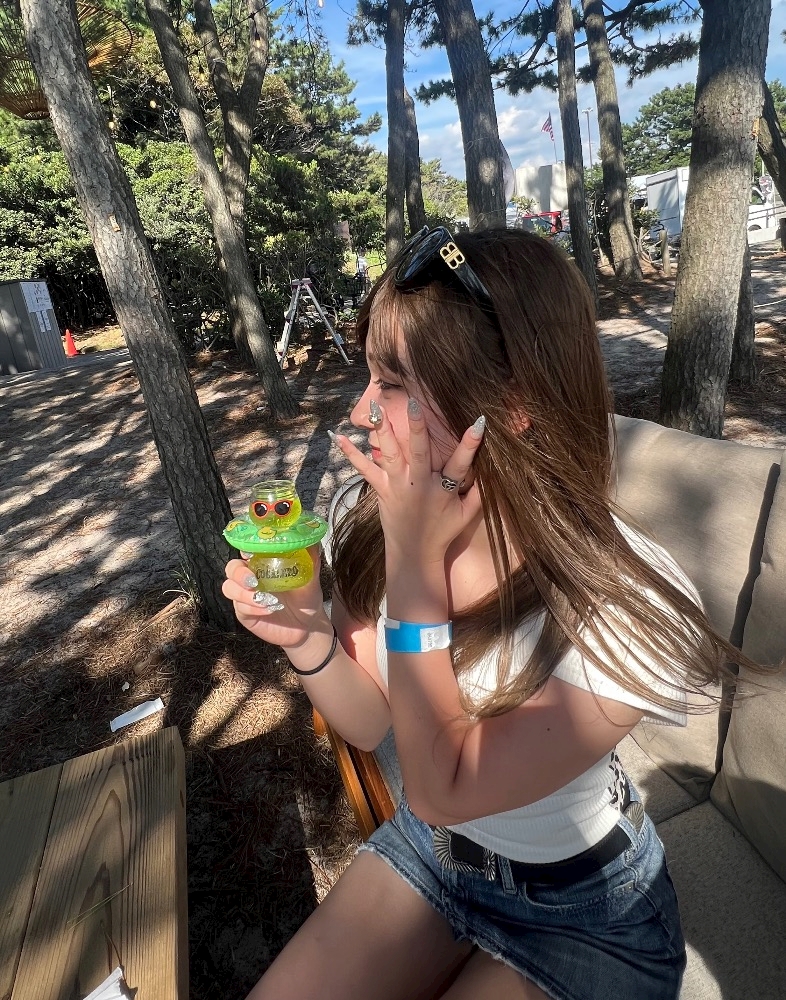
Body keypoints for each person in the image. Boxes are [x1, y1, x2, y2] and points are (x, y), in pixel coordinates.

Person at [223, 227, 745, 1000]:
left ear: (513, 405)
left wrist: (415, 565)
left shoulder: (624, 604)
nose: (362, 412)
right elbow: (368, 722)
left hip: (588, 911)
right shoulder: (365, 513)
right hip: (438, 853)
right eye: (369, 375)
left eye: (393, 384)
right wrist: (305, 637)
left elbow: (442, 785)